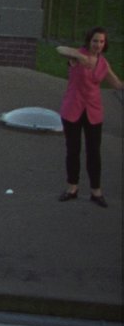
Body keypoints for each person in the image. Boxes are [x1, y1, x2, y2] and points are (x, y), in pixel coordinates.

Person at [56, 27, 120, 208]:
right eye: (95, 41)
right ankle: (72, 188)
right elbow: (60, 49)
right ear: (89, 41)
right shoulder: (77, 56)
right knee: (73, 150)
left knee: (94, 152)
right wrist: (80, 56)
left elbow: (116, 83)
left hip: (93, 111)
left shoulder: (103, 64)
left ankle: (96, 191)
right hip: (73, 109)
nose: (98, 45)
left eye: (101, 42)